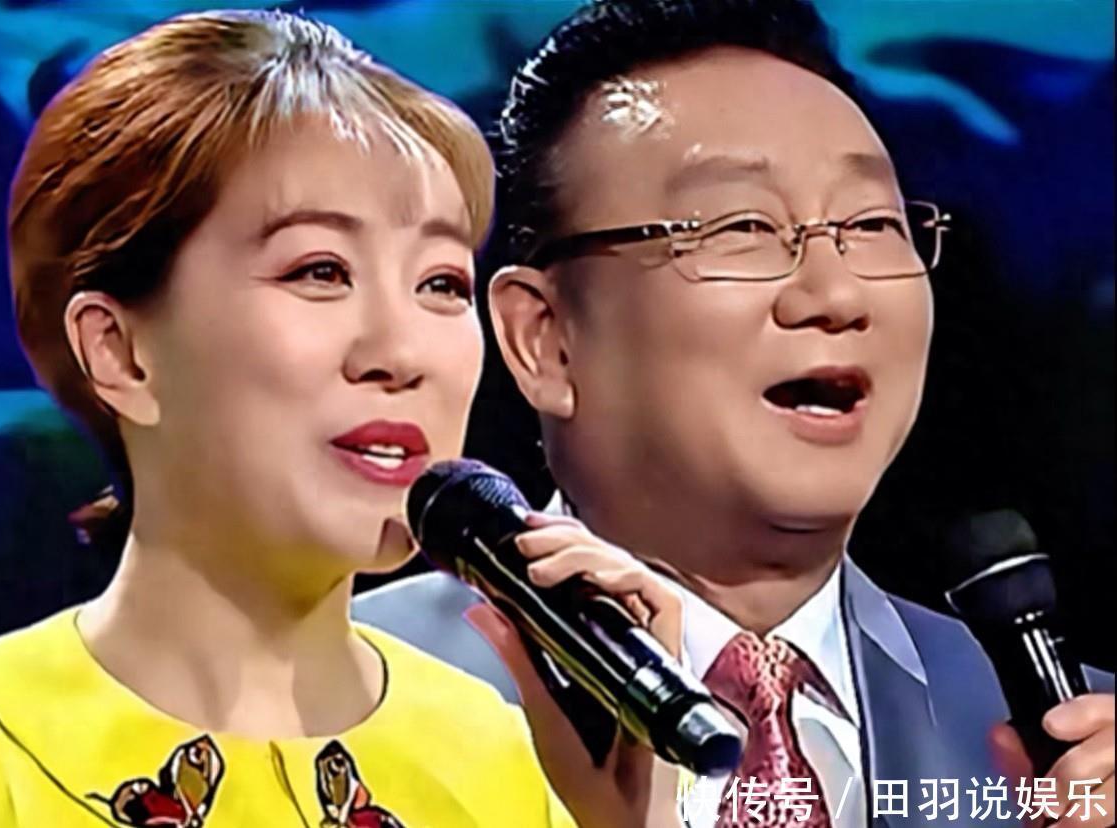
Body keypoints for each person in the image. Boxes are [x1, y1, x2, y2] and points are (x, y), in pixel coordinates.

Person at [0, 10, 686, 827]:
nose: (404, 352)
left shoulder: (512, 777)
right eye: (319, 270)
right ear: (120, 352)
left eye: (441, 283)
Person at [354, 1, 1116, 826]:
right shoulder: (336, 699)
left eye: (872, 224)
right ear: (546, 340)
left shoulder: (1065, 747)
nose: (836, 295)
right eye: (742, 227)